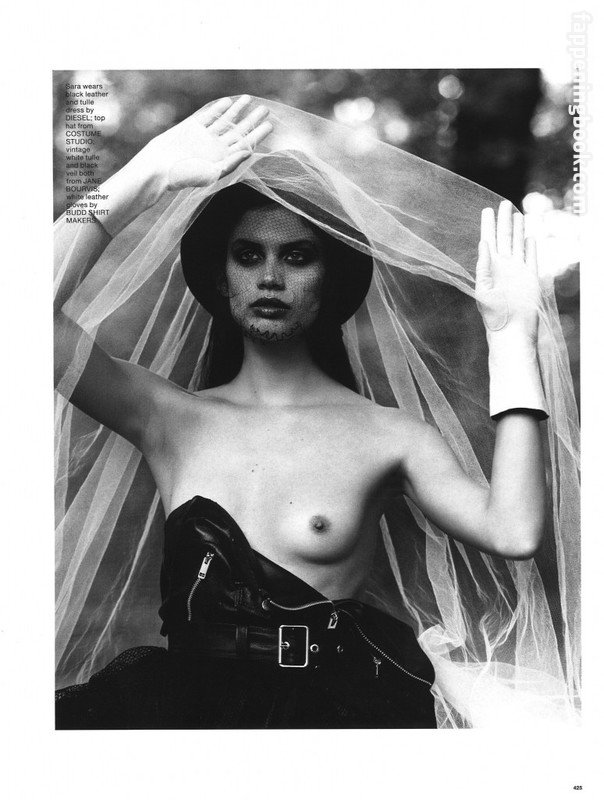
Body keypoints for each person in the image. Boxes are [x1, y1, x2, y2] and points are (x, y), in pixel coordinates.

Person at [54, 95, 580, 729]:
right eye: (248, 256)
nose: (270, 277)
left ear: (330, 279)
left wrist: (511, 337)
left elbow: (514, 533)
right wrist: (145, 175)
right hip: (182, 714)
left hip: (331, 716)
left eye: (297, 257)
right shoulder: (166, 417)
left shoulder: (390, 436)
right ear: (222, 278)